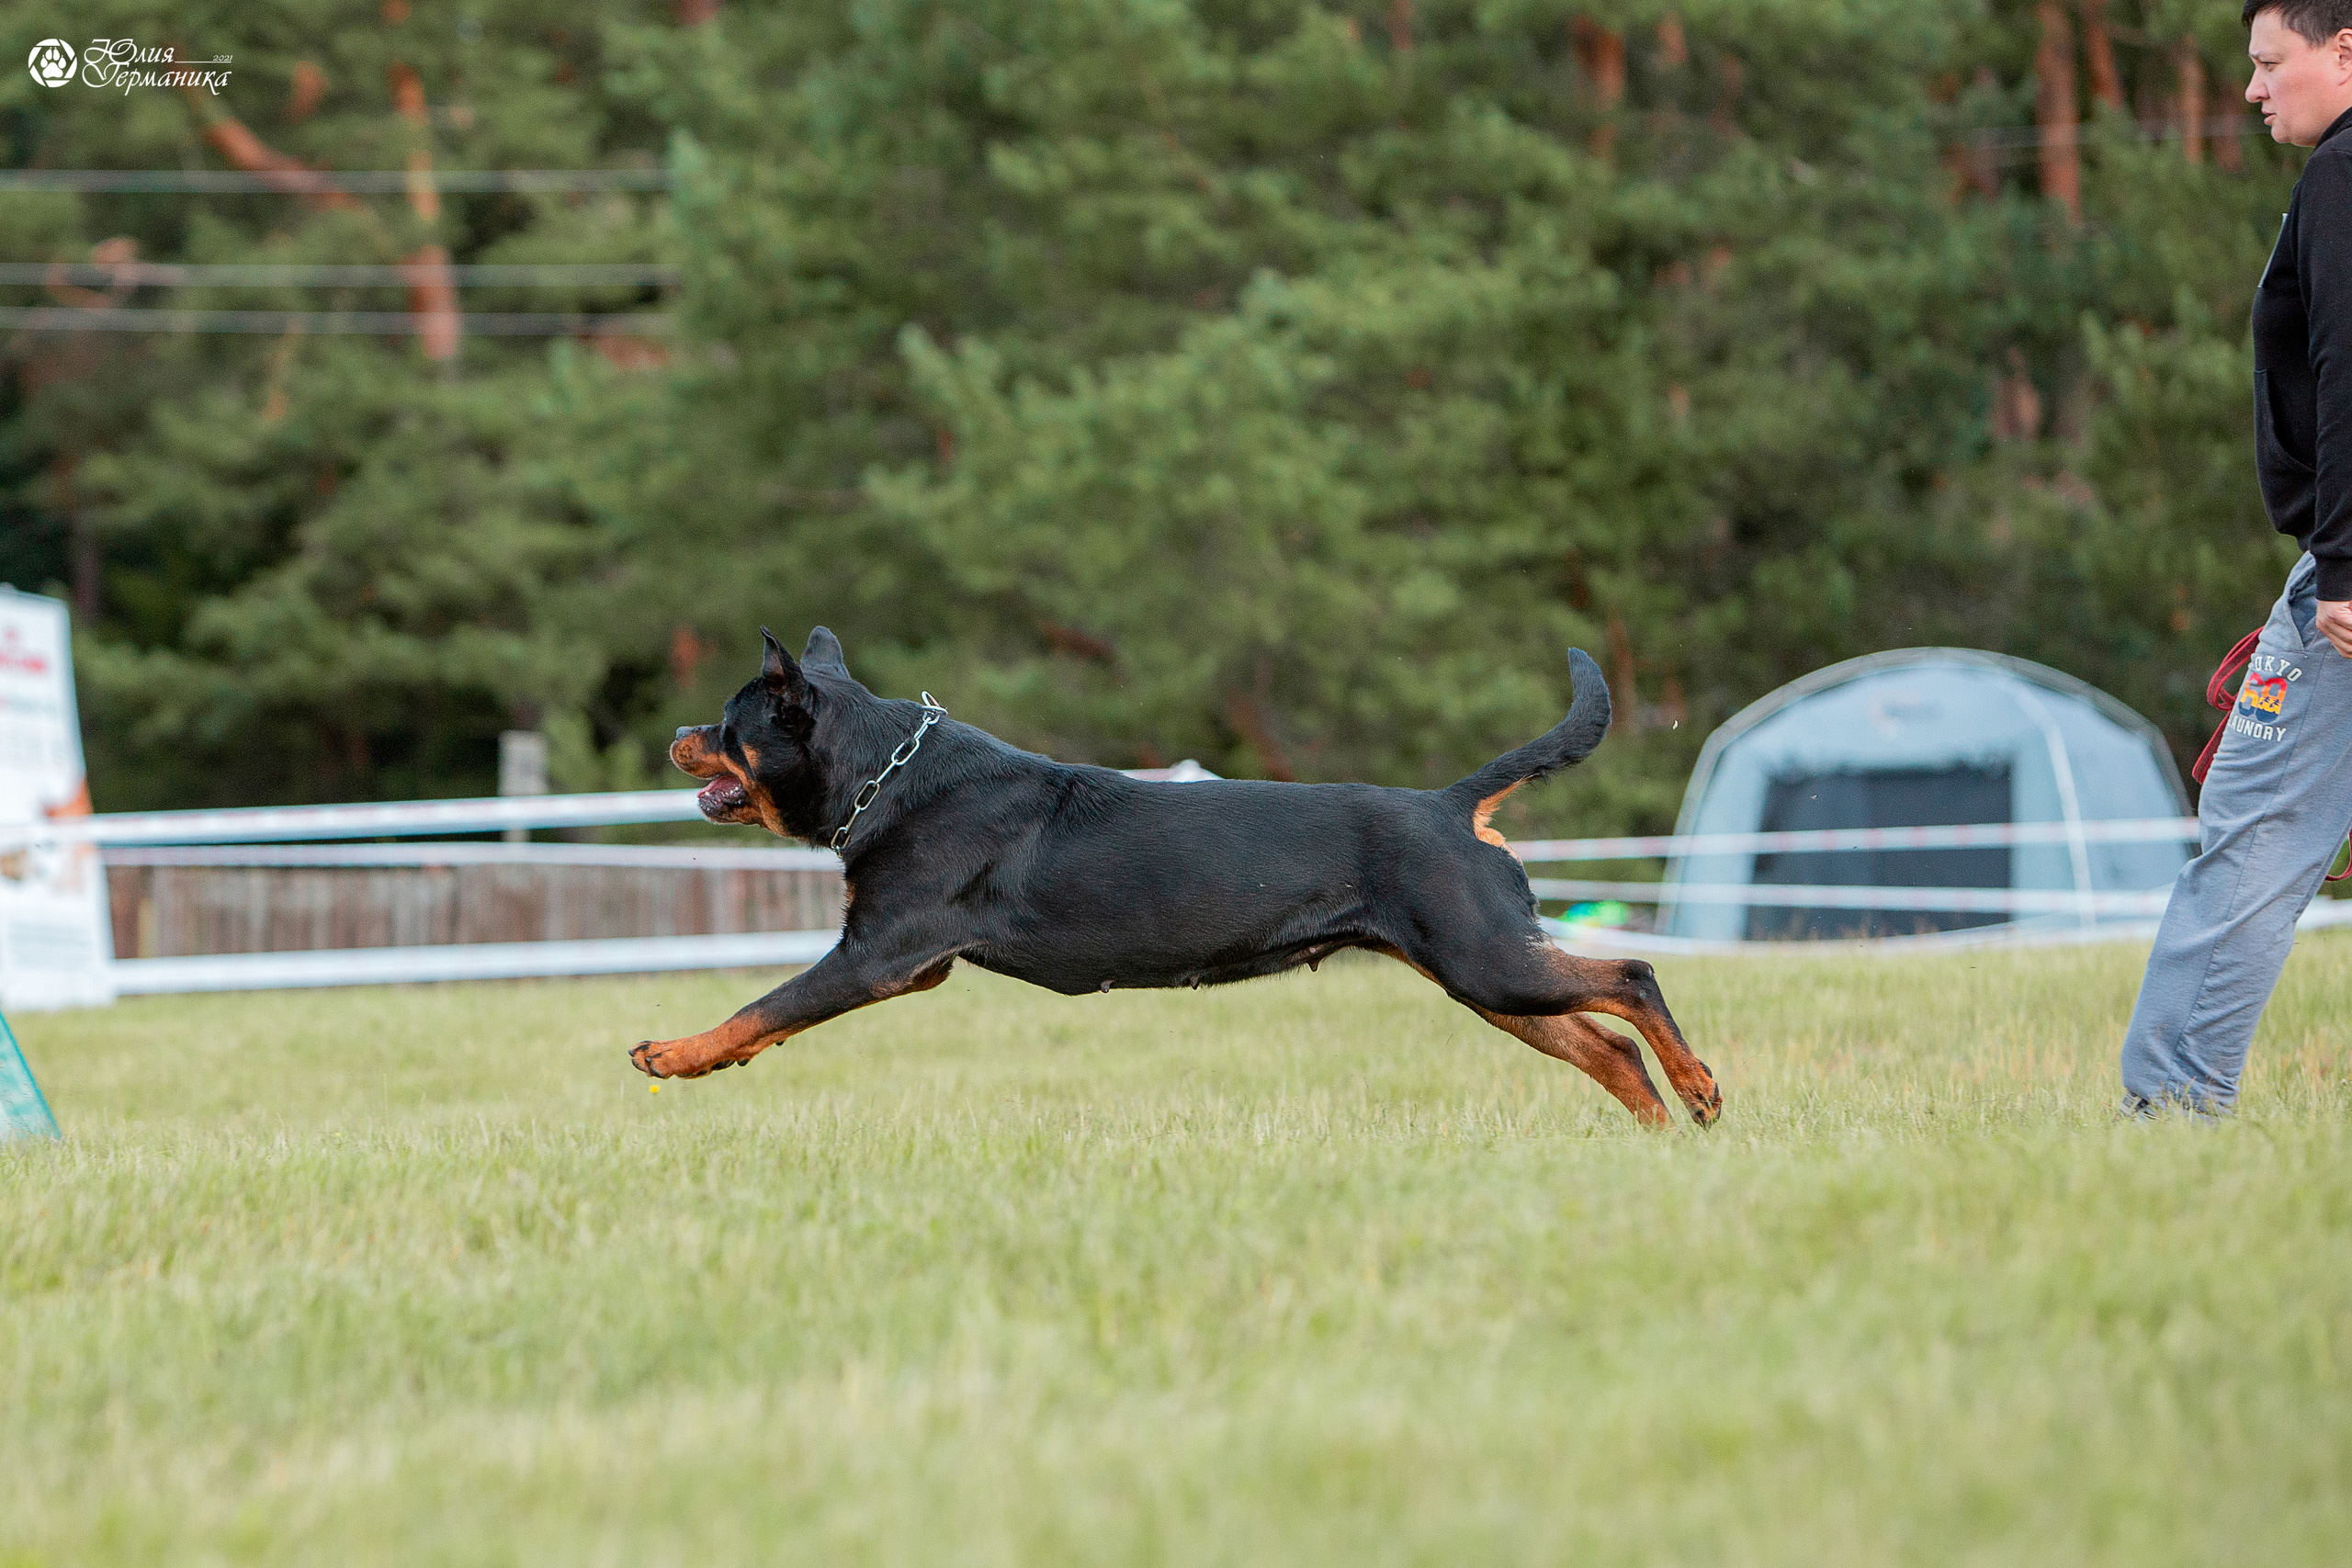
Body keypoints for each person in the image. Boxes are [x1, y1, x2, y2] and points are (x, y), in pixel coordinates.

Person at [2120, 1, 2352, 1114]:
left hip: (2348, 579)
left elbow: (2350, 374)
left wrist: (2345, 565)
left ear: (2345, 51)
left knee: (2254, 829)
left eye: (2269, 64)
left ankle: (2167, 1111)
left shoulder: (2343, 181)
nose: (2253, 89)